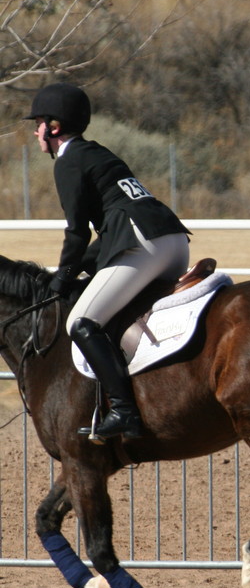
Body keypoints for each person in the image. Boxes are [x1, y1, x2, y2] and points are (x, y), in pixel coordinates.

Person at [26, 83, 191, 442]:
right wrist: (71, 272)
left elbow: (77, 233)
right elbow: (104, 233)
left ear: (53, 127)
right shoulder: (97, 152)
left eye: (38, 122)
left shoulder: (69, 159)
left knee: (82, 321)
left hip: (143, 244)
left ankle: (125, 412)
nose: (35, 130)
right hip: (173, 241)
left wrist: (62, 279)